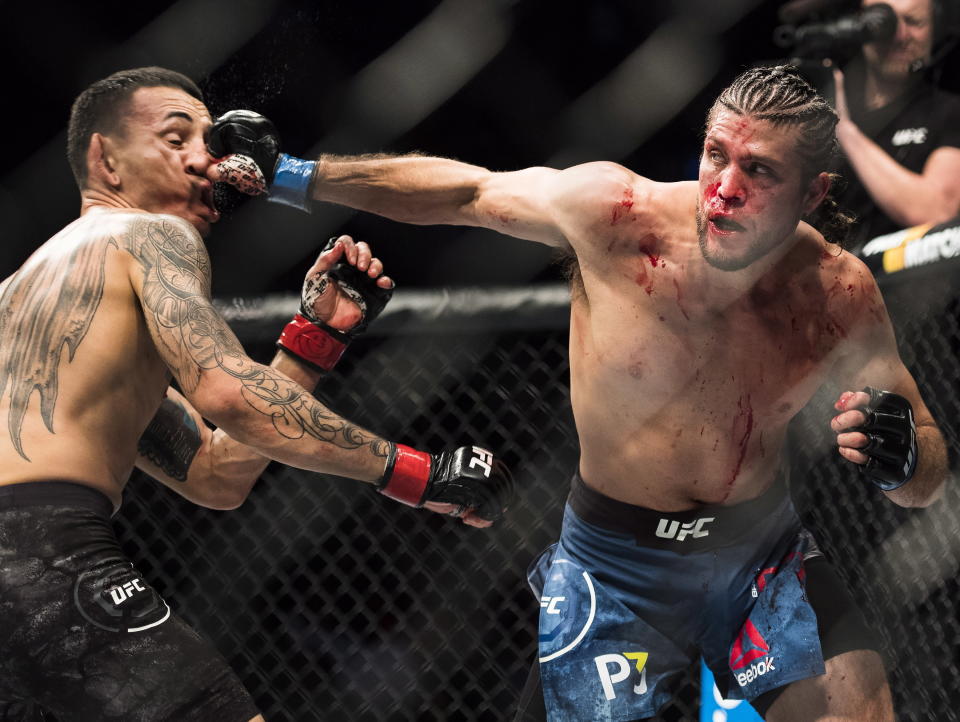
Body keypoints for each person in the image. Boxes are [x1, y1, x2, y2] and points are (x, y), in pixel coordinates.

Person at [212, 63, 948, 720]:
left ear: (814, 192)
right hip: (615, 567)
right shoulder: (620, 217)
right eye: (716, 155)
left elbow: (925, 474)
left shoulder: (837, 293)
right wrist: (294, 174)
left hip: (759, 556)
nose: (724, 190)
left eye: (759, 172)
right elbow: (470, 190)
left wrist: (904, 457)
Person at [0, 66, 513, 722]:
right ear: (105, 159)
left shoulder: (26, 297)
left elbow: (216, 474)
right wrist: (418, 473)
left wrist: (314, 340)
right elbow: (226, 391)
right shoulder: (150, 236)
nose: (205, 161)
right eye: (177, 138)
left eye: (211, 144)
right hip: (47, 557)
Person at [831, 0, 960, 252]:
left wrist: (844, 130)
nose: (900, 35)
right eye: (883, 22)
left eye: (914, 22)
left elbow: (937, 211)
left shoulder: (951, 111)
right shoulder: (826, 95)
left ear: (936, 28)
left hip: (901, 282)